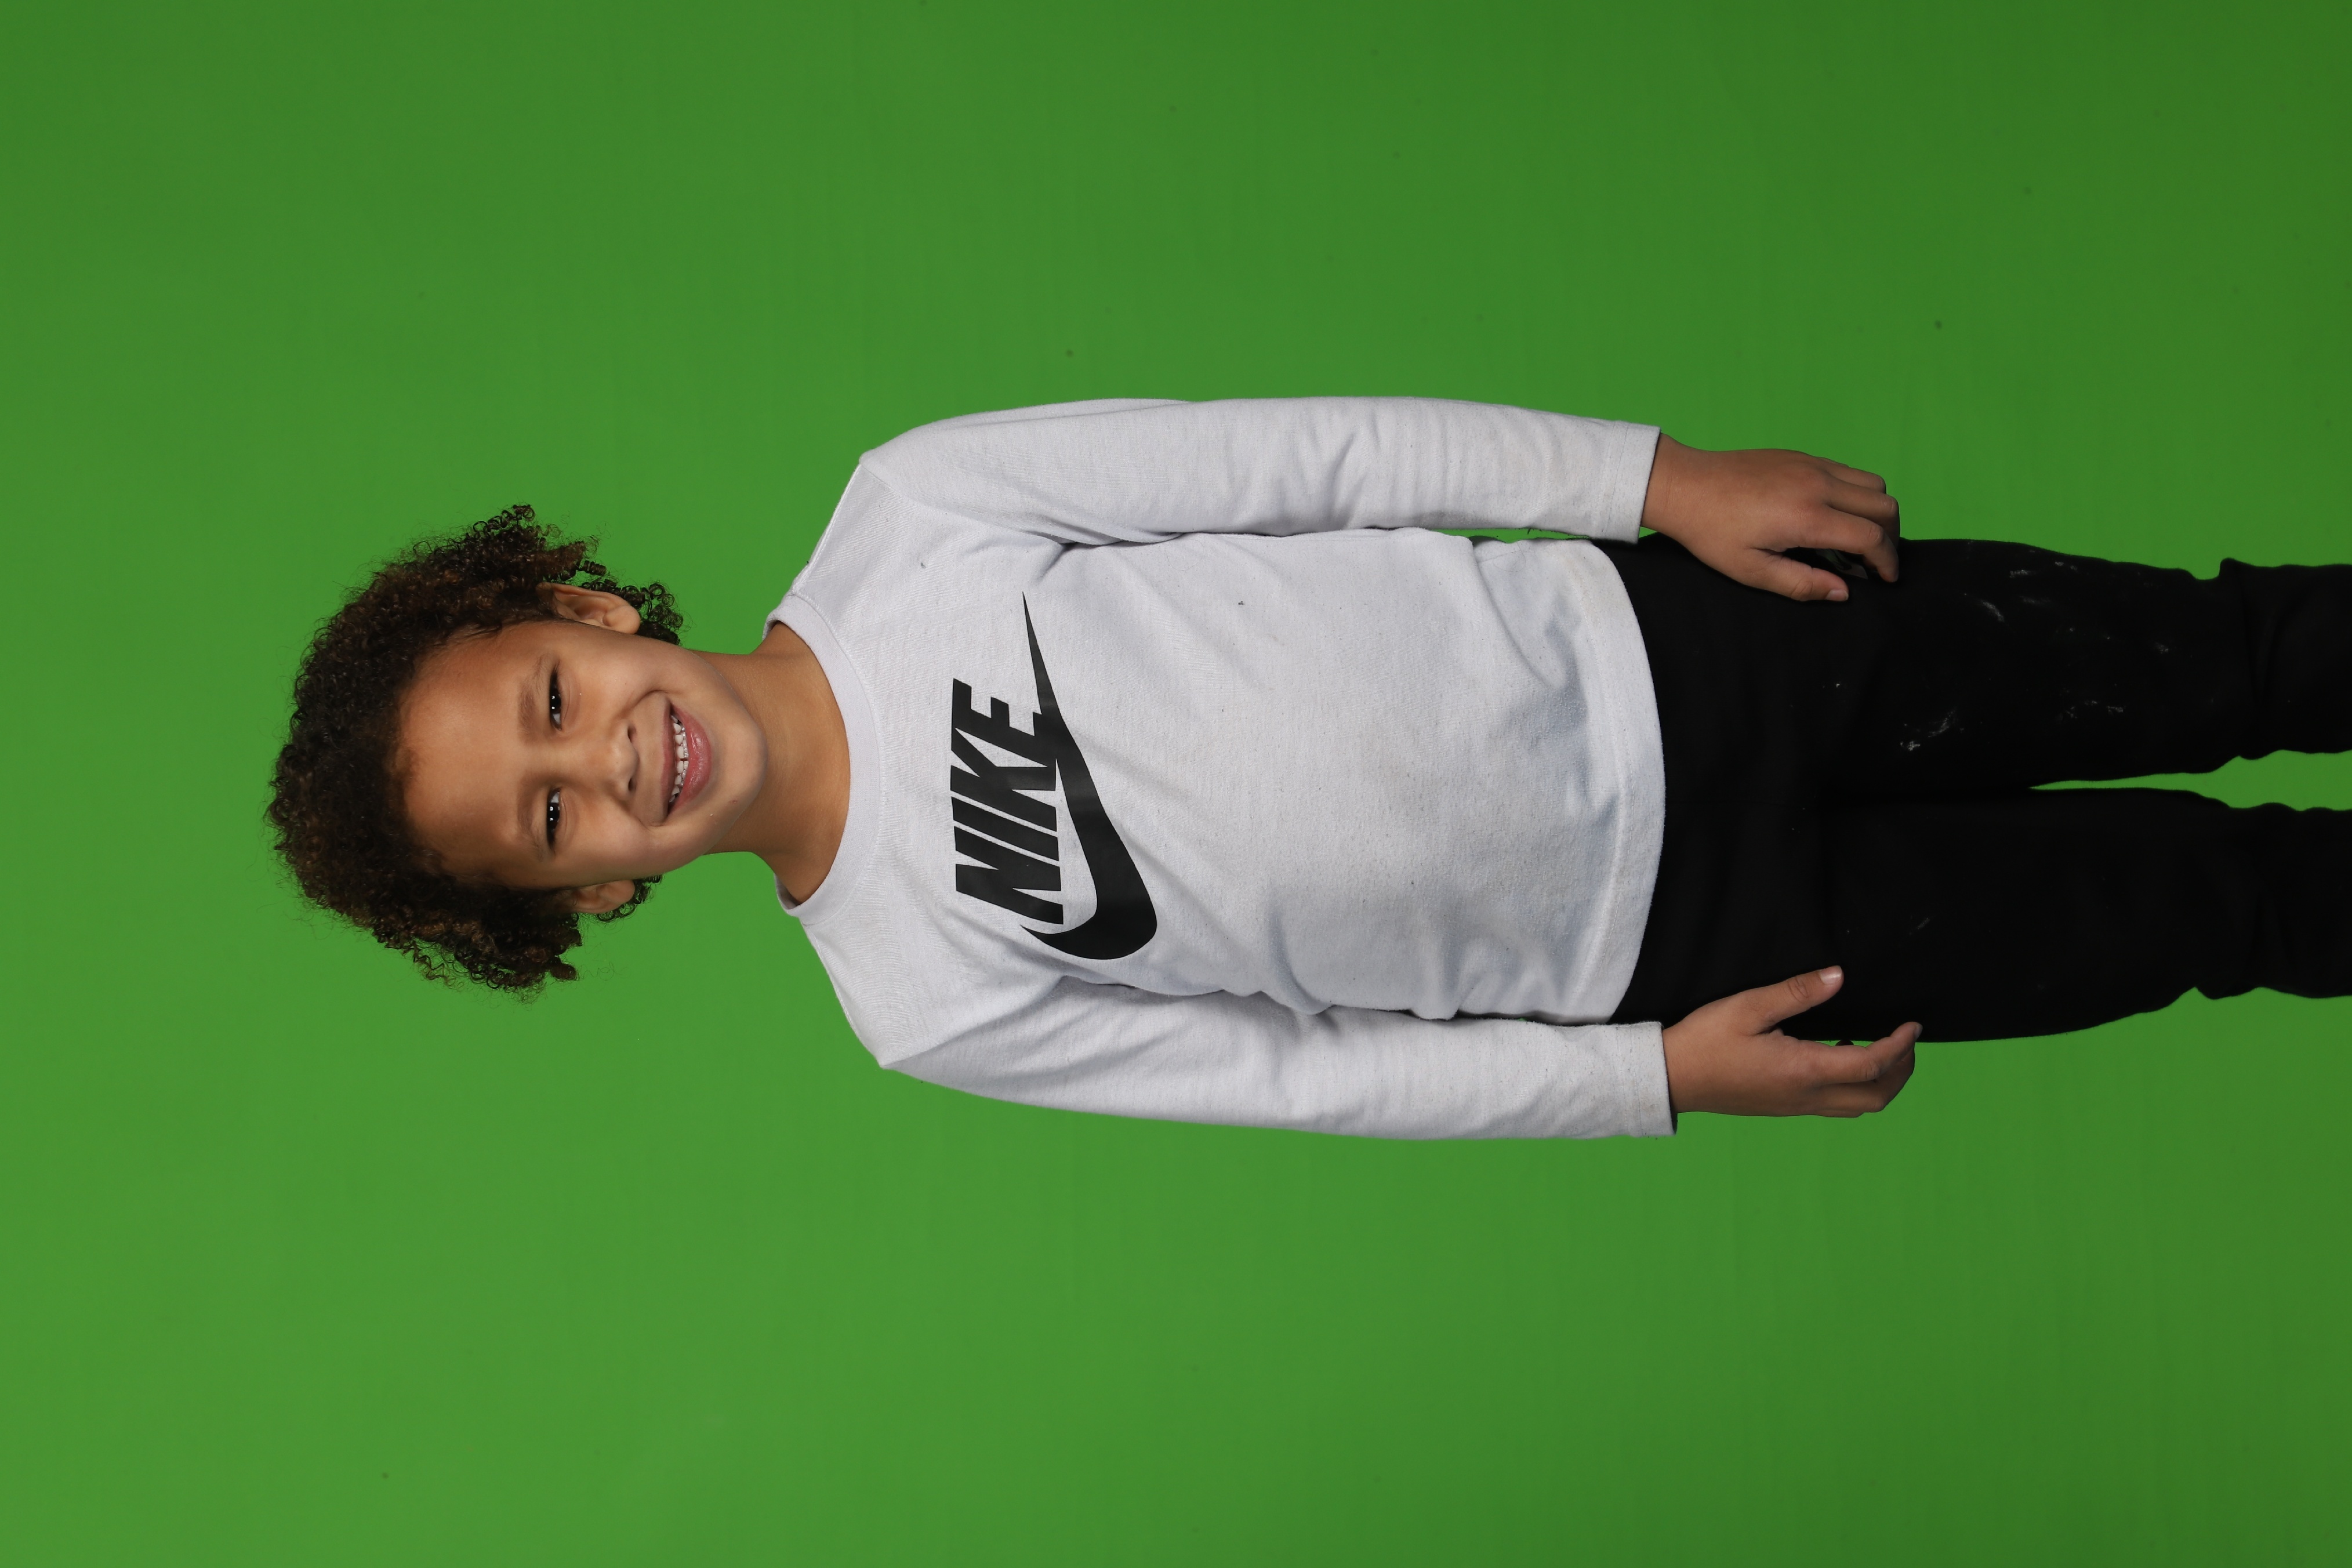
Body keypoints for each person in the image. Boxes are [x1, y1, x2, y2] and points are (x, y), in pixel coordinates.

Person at [269, 398, 2352, 1138]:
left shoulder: (918, 518)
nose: (603, 762)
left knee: (2222, 658)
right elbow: (1307, 1077)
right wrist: (1648, 1078)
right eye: (552, 819)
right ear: (595, 892)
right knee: (2225, 907)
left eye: (552, 697)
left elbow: (1317, 452)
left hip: (1687, 651)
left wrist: (1654, 482)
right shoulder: (920, 998)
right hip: (1690, 948)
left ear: (585, 611)